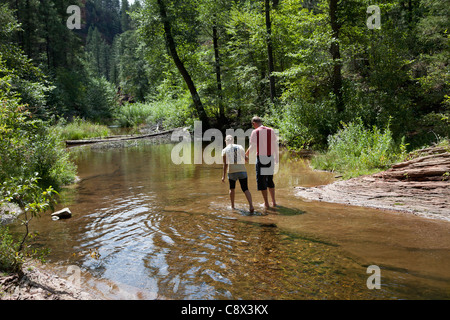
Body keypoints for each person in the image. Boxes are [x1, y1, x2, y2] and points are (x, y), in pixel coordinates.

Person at [245, 116, 278, 209]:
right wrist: (276, 157)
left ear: (254, 123)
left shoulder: (255, 132)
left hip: (261, 158)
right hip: (270, 157)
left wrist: (245, 155)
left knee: (261, 180)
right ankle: (274, 202)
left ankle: (266, 203)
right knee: (270, 179)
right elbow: (275, 144)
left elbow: (252, 146)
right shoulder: (271, 130)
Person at [222, 135, 254, 213]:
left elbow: (225, 164)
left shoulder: (224, 150)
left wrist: (223, 176)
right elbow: (246, 159)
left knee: (232, 189)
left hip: (232, 171)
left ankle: (232, 206)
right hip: (242, 170)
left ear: (225, 141)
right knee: (245, 189)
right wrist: (245, 159)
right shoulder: (240, 147)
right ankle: (251, 206)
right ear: (233, 141)